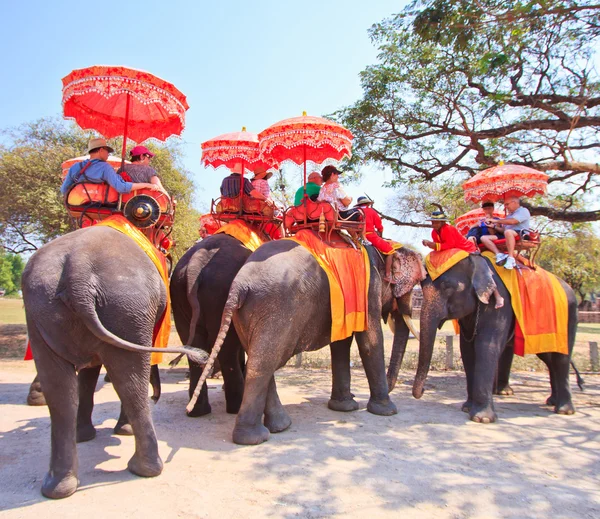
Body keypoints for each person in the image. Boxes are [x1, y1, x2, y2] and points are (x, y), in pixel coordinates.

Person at [423, 211, 504, 308]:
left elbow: (449, 244)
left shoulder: (449, 229)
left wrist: (434, 245)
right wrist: (431, 245)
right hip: (452, 253)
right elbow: (440, 247)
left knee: (481, 269)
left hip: (467, 250)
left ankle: (498, 296)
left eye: (436, 222)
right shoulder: (434, 233)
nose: (434, 224)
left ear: (442, 222)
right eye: (432, 222)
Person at [61, 138, 160, 196]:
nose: (108, 154)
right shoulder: (105, 168)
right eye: (107, 151)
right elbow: (122, 187)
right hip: (99, 205)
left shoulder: (75, 167)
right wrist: (147, 185)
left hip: (78, 205)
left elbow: (64, 190)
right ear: (100, 150)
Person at [480, 196, 531, 270]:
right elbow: (503, 230)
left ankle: (511, 258)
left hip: (521, 233)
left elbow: (513, 221)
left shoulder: (523, 210)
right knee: (483, 238)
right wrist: (494, 227)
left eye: (507, 204)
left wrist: (496, 221)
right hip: (507, 234)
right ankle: (499, 254)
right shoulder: (509, 215)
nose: (506, 207)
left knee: (508, 232)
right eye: (505, 205)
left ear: (514, 203)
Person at [354, 196, 395, 282]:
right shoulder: (371, 211)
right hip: (370, 236)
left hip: (356, 237)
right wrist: (380, 235)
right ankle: (387, 275)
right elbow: (379, 226)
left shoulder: (355, 212)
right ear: (368, 204)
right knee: (390, 251)